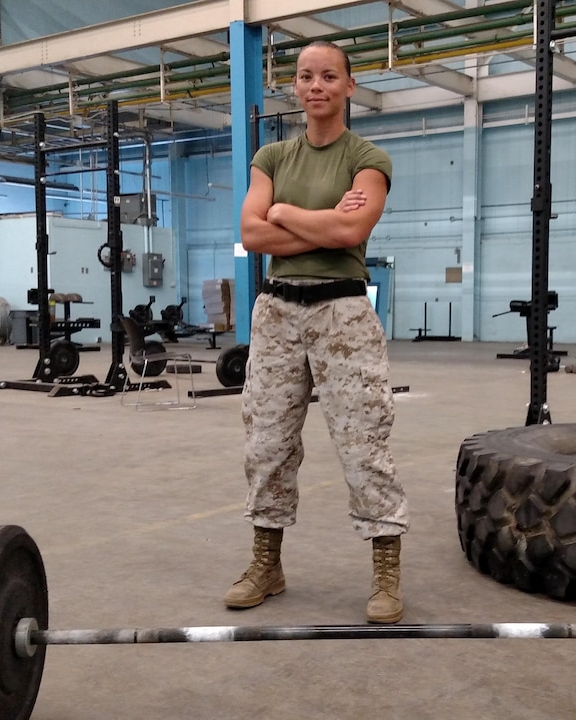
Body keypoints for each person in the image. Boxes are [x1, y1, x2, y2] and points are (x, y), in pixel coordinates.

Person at [224, 40, 409, 624]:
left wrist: (286, 214)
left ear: (349, 86)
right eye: (305, 76)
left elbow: (355, 227)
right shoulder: (271, 157)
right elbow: (253, 235)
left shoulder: (368, 156)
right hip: (277, 312)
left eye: (329, 76)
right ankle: (267, 564)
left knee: (363, 445)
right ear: (296, 87)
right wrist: (325, 227)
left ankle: (385, 573)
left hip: (343, 315)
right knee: (267, 444)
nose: (316, 86)